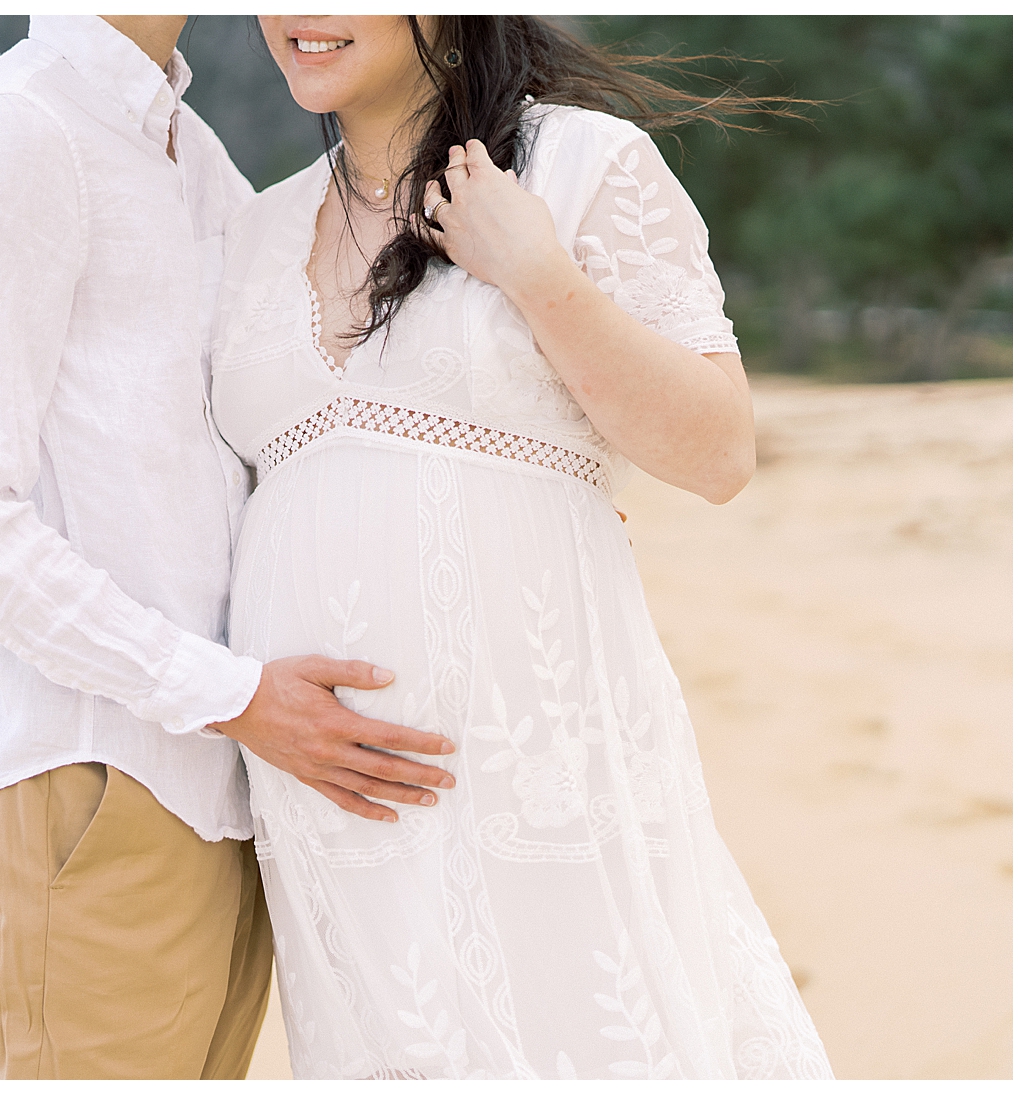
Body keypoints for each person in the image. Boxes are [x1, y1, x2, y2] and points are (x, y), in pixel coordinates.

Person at [208, 15, 834, 1079]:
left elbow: (718, 451)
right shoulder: (253, 232)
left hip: (538, 760)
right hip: (329, 795)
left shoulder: (580, 162)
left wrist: (538, 275)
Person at [0, 14, 456, 1081]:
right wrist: (231, 694)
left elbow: (274, 428)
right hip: (101, 768)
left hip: (231, 769)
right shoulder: (17, 127)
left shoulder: (193, 153)